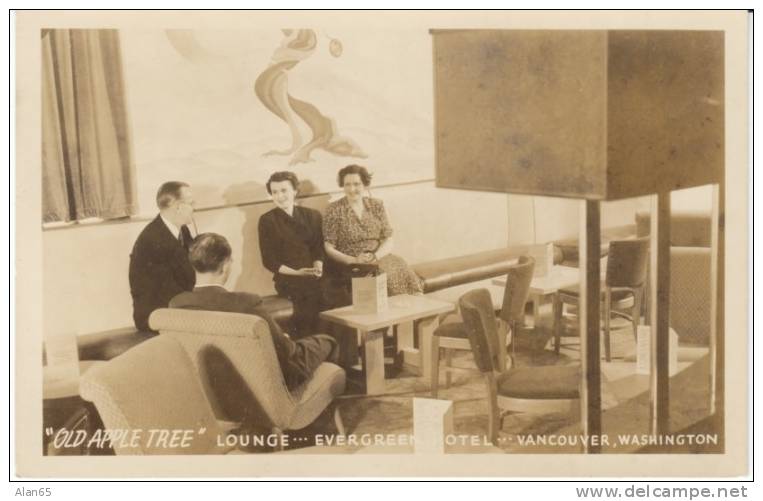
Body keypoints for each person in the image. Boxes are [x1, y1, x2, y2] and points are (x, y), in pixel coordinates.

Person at [170, 233, 338, 391]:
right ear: (225, 266)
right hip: (263, 387)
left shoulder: (176, 304)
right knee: (327, 342)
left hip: (214, 388)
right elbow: (287, 352)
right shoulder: (246, 303)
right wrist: (285, 339)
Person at [323, 164, 423, 296]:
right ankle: (395, 314)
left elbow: (388, 238)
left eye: (356, 184)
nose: (352, 189)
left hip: (380, 256)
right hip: (352, 262)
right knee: (380, 275)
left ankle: (415, 311)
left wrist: (376, 256)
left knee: (400, 265)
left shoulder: (376, 205)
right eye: (347, 184)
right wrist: (353, 260)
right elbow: (329, 248)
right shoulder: (334, 210)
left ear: (365, 185)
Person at [258, 171, 326, 339]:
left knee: (335, 296)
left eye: (284, 190)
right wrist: (297, 273)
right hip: (289, 281)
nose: (280, 196)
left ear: (295, 191)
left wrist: (318, 266)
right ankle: (307, 351)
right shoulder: (267, 220)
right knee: (309, 300)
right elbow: (269, 261)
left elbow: (318, 248)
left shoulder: (312, 215)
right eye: (274, 192)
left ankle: (339, 356)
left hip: (316, 276)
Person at [128, 181, 196, 332]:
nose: (194, 208)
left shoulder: (181, 229)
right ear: (178, 207)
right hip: (155, 315)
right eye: (191, 203)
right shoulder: (151, 240)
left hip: (174, 305)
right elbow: (168, 292)